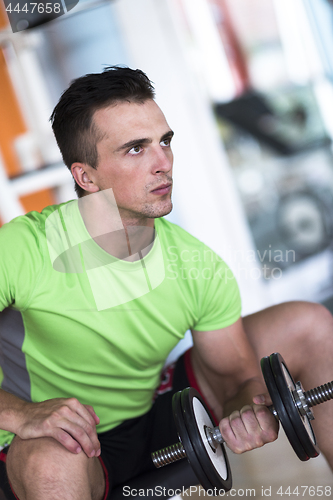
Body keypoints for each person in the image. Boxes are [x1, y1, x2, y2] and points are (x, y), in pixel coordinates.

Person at [0, 66, 332, 500]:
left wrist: (246, 409)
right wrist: (21, 414)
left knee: (309, 323)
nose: (163, 163)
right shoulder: (23, 249)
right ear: (86, 176)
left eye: (165, 142)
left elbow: (236, 378)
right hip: (53, 442)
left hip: (154, 413)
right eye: (136, 149)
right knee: (50, 458)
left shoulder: (196, 263)